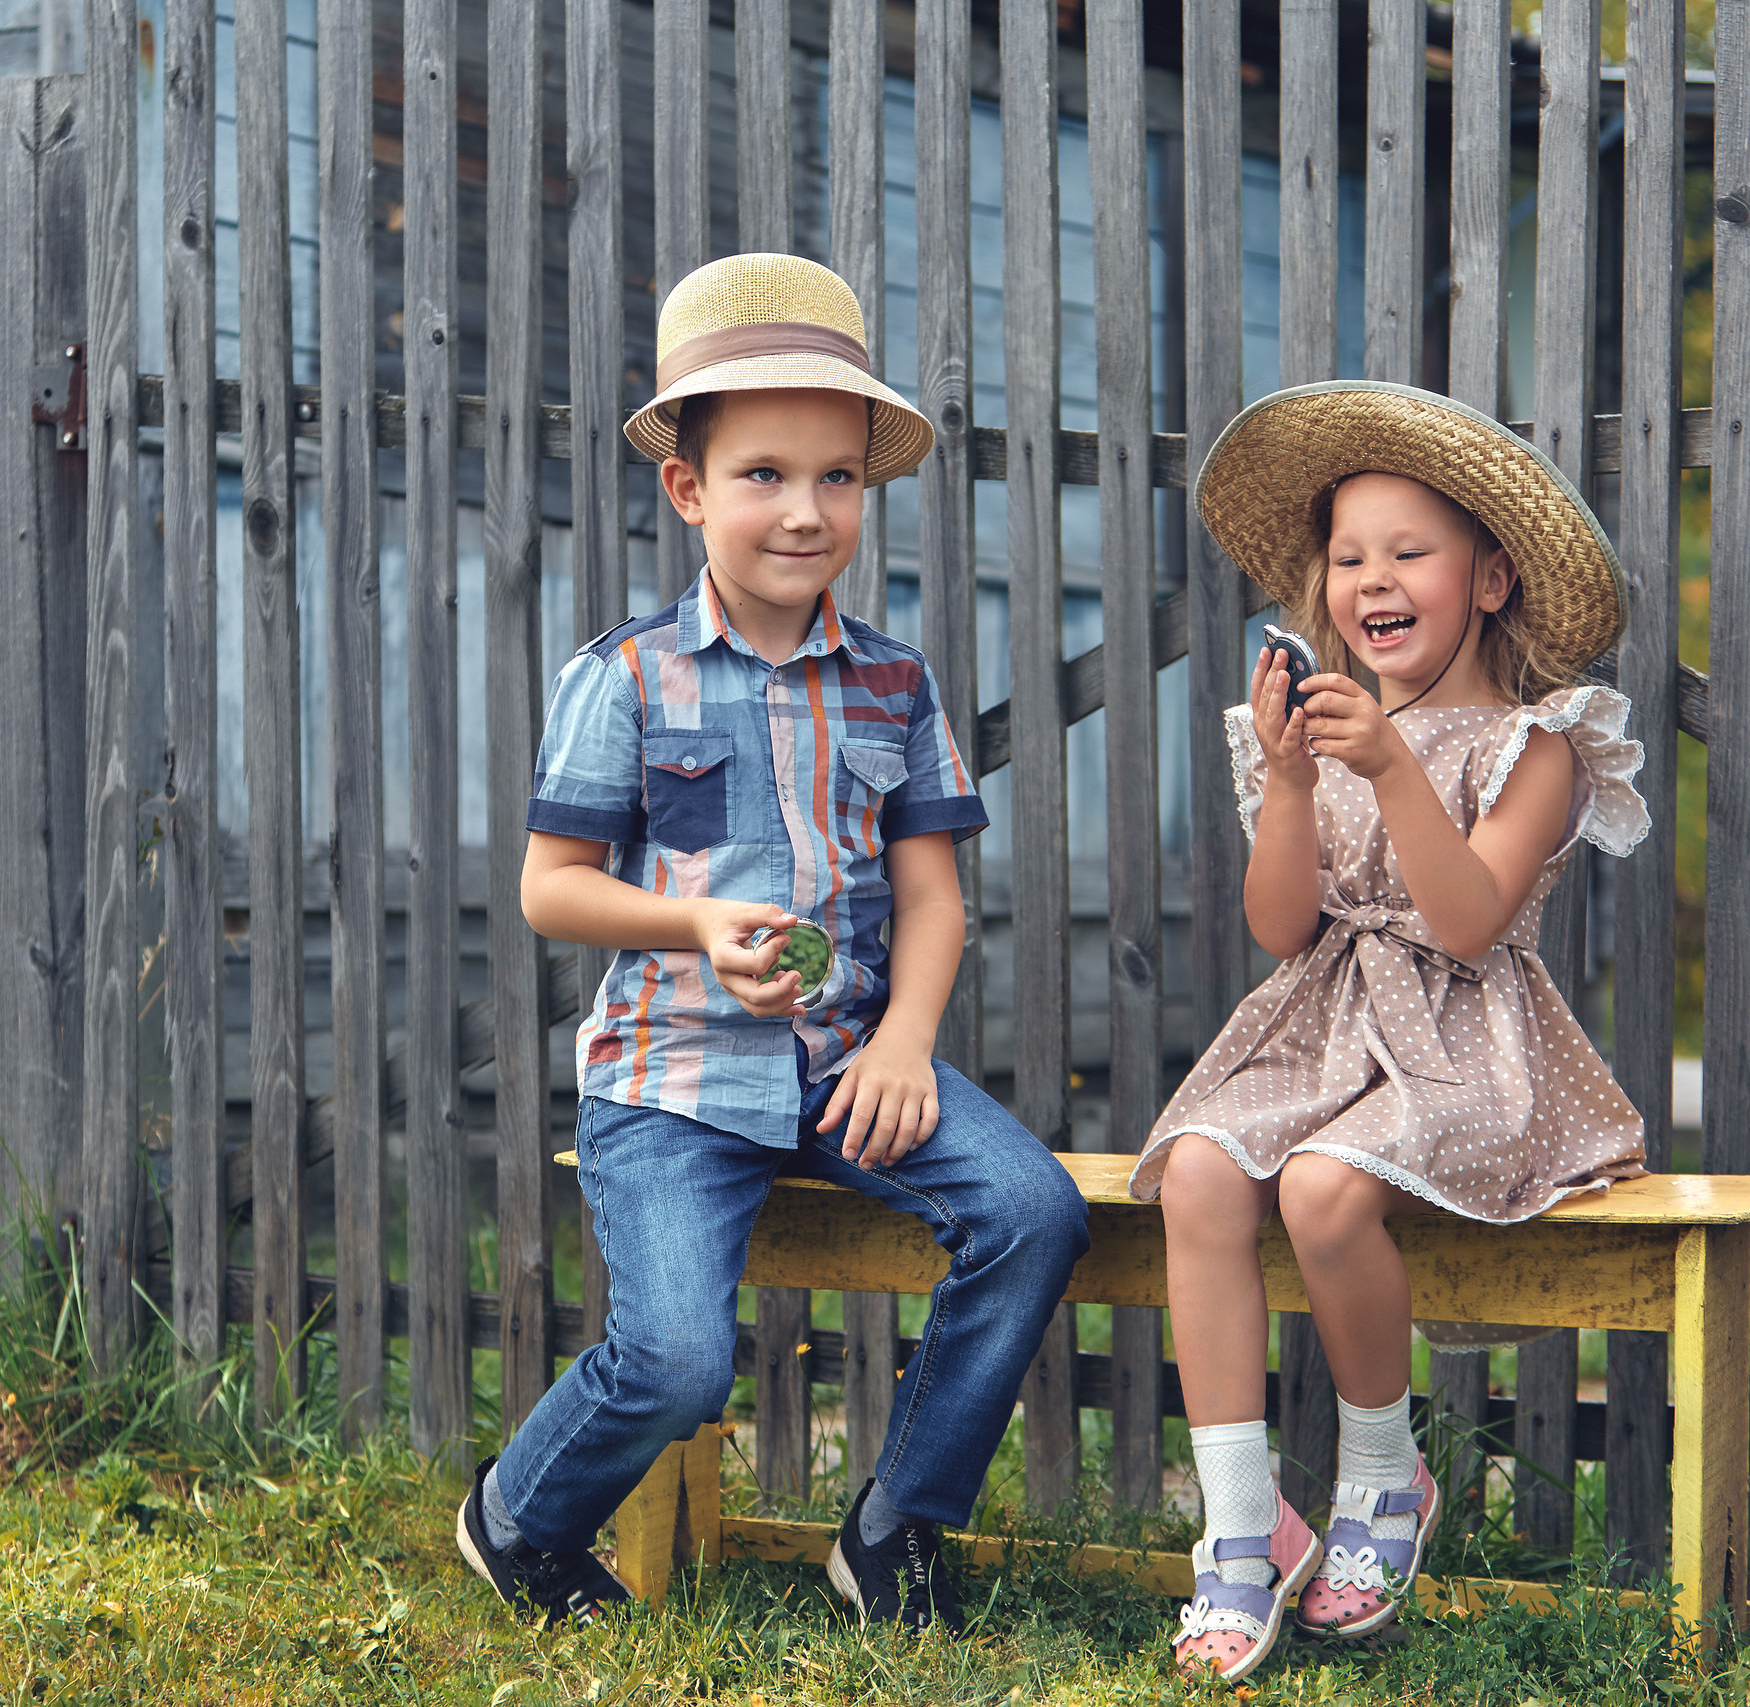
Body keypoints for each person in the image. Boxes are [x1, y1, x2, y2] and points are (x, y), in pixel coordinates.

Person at [456, 252, 1090, 1634]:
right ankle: (522, 1518)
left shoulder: (896, 682)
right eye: (762, 476)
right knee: (681, 1364)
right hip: (672, 1080)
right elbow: (551, 889)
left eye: (837, 477)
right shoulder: (625, 676)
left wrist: (907, 1044)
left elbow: (932, 899)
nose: (804, 512)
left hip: (846, 1064)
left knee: (1033, 1211)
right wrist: (690, 922)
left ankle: (897, 1528)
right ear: (690, 489)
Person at [1137, 382, 1653, 1683]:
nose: (1373, 578)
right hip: (1321, 1026)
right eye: (1350, 557)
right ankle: (1242, 1526)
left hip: (1468, 1039)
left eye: (1407, 553)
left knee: (1320, 1191)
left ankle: (1384, 1479)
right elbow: (1280, 929)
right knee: (1197, 1165)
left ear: (1485, 581)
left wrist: (1390, 770)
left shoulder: (1544, 741)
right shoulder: (1309, 739)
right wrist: (1298, 783)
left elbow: (1472, 921)